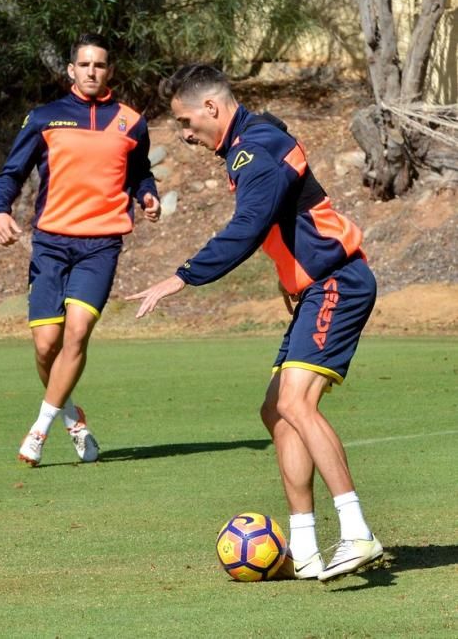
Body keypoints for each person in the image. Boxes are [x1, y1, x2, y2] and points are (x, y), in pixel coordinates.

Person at [126, 64, 383, 582]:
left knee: (295, 402)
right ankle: (305, 546)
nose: (184, 134)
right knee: (276, 410)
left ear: (212, 109)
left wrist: (183, 276)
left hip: (339, 282)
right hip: (314, 288)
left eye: (185, 121)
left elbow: (249, 224)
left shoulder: (252, 151)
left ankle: (357, 531)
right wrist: (290, 280)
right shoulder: (254, 140)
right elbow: (285, 220)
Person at [0, 33, 160, 466]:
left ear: (110, 71)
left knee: (78, 332)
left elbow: (140, 174)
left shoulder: (131, 122)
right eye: (84, 64)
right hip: (50, 244)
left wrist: (148, 195)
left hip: (101, 245)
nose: (91, 71)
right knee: (47, 345)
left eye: (100, 65)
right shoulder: (44, 118)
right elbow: (12, 172)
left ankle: (39, 430)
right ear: (71, 69)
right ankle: (71, 416)